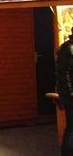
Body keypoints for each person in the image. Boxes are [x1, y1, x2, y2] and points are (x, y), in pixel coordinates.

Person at [56, 27, 73, 156]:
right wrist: (69, 93)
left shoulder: (65, 48)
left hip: (68, 94)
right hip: (70, 95)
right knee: (72, 127)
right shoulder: (68, 49)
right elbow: (63, 73)